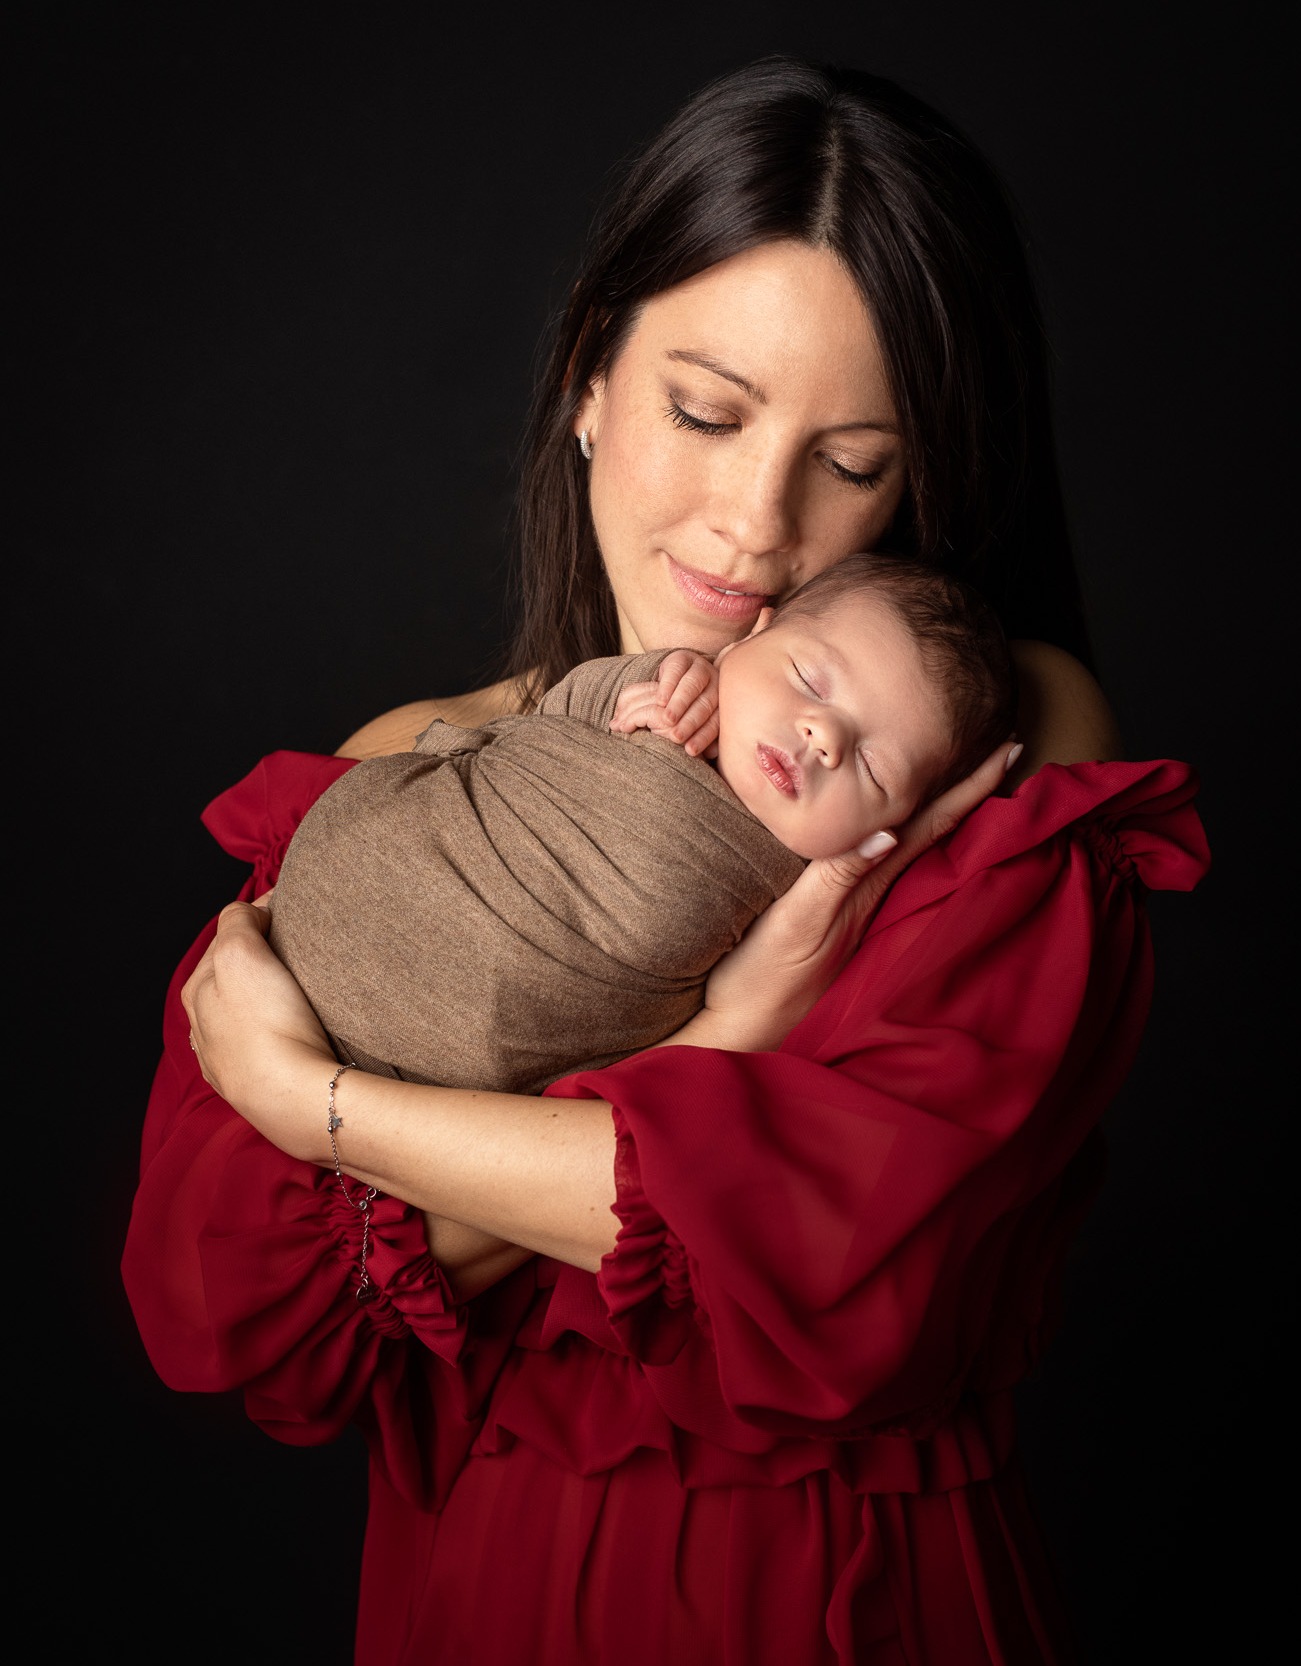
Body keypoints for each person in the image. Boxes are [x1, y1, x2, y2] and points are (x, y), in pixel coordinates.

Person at [122, 55, 1210, 1665]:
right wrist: (721, 1052)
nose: (754, 526)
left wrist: (321, 1111)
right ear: (586, 378)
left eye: (853, 464)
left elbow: (847, 1262)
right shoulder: (418, 772)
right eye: (706, 412)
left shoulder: (981, 751)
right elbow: (251, 1327)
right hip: (472, 1591)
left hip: (839, 1592)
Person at [264, 553, 1015, 1098]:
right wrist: (656, 679)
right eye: (808, 680)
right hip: (373, 873)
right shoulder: (669, 691)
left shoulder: (806, 901)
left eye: (874, 769)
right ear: (751, 636)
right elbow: (550, 726)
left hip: (461, 1065)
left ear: (900, 821)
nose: (823, 736)